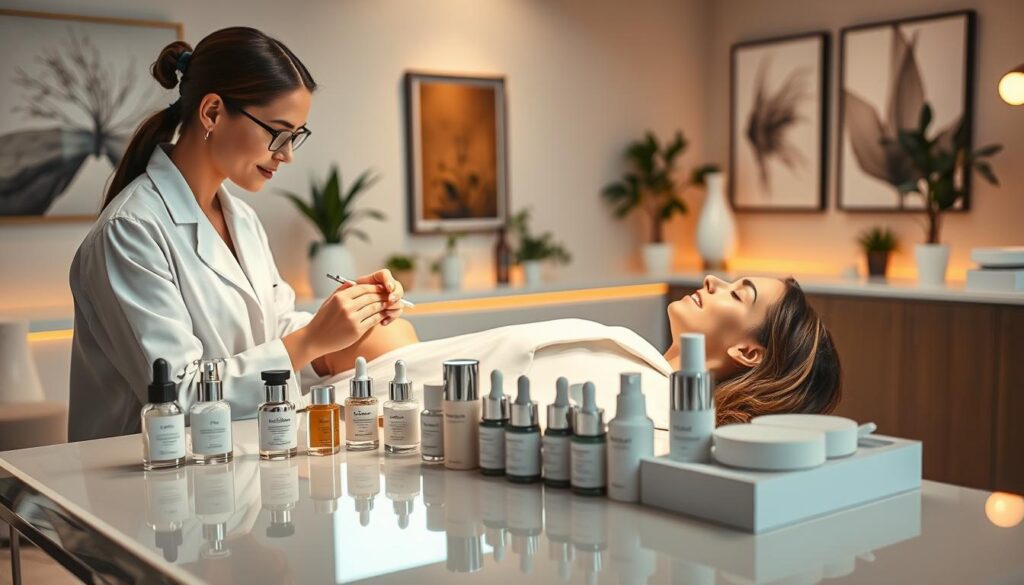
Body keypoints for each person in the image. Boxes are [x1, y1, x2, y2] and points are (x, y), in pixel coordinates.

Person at [68, 27, 416, 442]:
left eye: (295, 137)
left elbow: (276, 325)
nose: (286, 154)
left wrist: (349, 318)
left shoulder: (242, 220)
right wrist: (312, 340)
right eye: (278, 132)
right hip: (151, 471)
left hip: (241, 457)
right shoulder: (129, 231)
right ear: (212, 113)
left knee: (394, 337)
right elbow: (176, 399)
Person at [321, 274, 842, 427]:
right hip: (402, 376)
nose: (714, 279)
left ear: (749, 353)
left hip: (393, 416)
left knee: (362, 331)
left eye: (739, 292)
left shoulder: (649, 409)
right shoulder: (641, 366)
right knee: (377, 325)